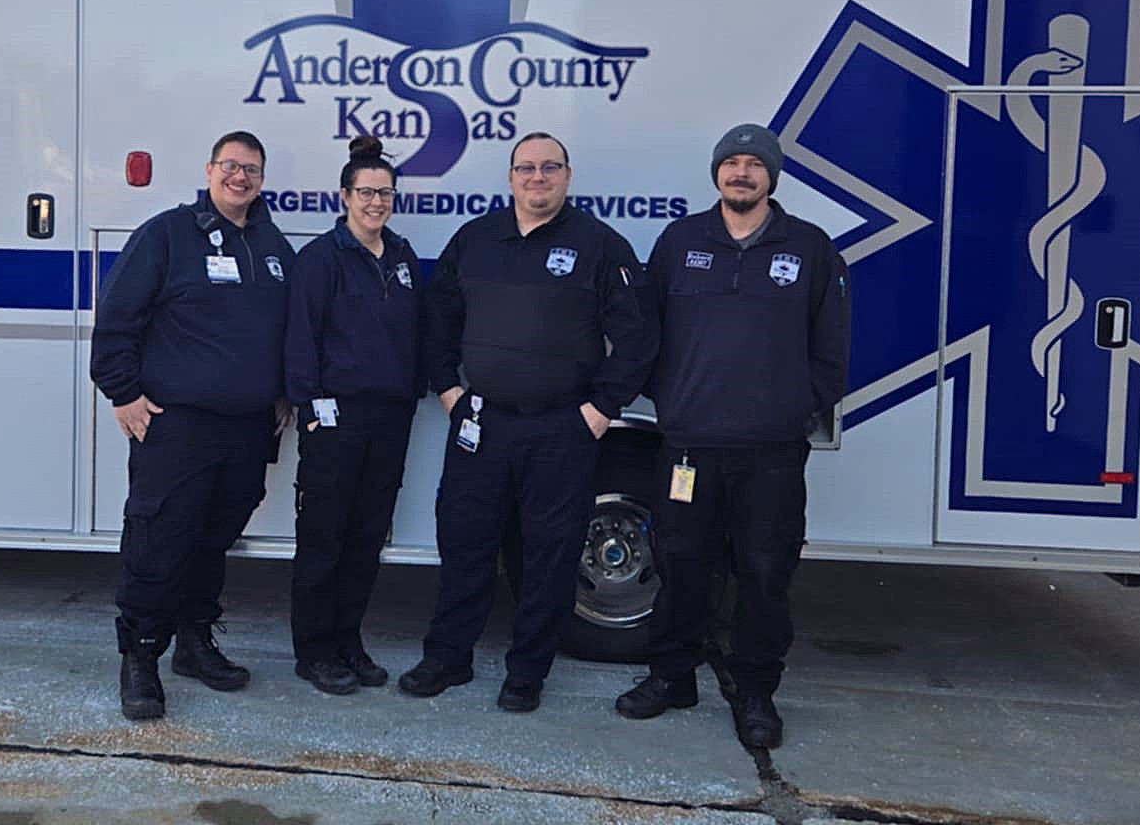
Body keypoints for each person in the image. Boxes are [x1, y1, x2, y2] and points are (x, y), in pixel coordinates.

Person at [399, 131, 657, 712]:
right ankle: (447, 657)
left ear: (567, 176)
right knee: (464, 543)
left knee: (549, 555)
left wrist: (601, 409)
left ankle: (527, 673)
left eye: (549, 167)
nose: (537, 177)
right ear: (510, 178)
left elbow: (639, 338)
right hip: (481, 425)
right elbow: (438, 320)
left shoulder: (599, 245)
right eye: (526, 168)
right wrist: (449, 390)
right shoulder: (475, 239)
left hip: (561, 429)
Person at [615, 122, 850, 750]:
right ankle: (671, 676)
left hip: (771, 454)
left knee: (765, 573)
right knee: (680, 563)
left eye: (754, 164)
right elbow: (646, 331)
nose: (741, 172)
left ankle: (755, 693)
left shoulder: (809, 248)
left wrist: (795, 407)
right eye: (731, 163)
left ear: (771, 176)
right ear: (717, 172)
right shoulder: (680, 241)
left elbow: (832, 350)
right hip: (689, 446)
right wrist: (668, 399)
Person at [91, 130, 296, 721]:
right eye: (230, 165)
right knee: (160, 540)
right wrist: (123, 393)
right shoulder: (166, 235)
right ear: (209, 171)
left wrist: (282, 392)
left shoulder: (272, 245)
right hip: (177, 427)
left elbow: (289, 328)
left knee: (212, 541)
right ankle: (140, 658)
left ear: (262, 178)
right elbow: (117, 319)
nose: (240, 177)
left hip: (247, 429)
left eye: (251, 169)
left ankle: (194, 642)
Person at [283, 135, 424, 695]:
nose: (376, 203)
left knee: (366, 539)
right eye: (366, 192)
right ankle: (314, 651)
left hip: (388, 420)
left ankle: (348, 641)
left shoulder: (403, 257)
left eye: (385, 193)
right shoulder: (320, 260)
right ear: (344, 196)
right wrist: (313, 411)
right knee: (324, 540)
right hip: (335, 419)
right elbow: (299, 341)